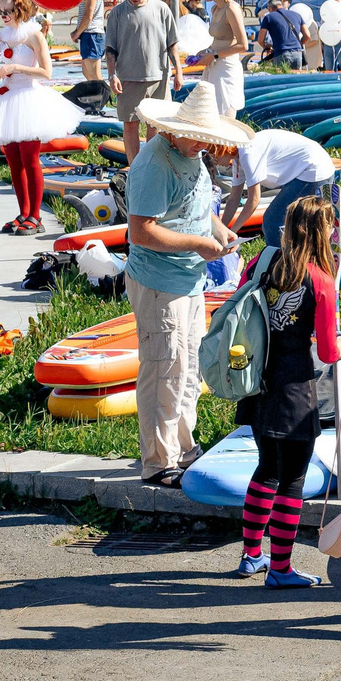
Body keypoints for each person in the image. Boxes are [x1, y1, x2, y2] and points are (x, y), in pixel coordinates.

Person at [124, 85, 247, 485]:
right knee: (164, 369)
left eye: (209, 138)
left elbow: (195, 205)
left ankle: (182, 446)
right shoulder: (155, 164)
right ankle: (159, 461)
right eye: (200, 137)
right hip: (161, 281)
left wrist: (219, 229)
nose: (204, 145)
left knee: (187, 368)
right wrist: (198, 243)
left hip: (188, 277)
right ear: (174, 130)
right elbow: (141, 232)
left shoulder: (189, 155)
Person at [224, 193, 341, 590]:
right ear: (320, 232)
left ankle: (250, 555)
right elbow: (327, 352)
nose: (334, 231)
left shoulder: (261, 262)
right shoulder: (322, 281)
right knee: (292, 478)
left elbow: (239, 303)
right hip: (295, 389)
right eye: (330, 226)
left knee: (266, 469)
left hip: (257, 382)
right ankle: (280, 569)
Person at [0, 0, 84, 235]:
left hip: (28, 99)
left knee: (29, 158)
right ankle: (23, 212)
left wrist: (16, 67)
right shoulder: (3, 35)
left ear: (20, 11)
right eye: (0, 11)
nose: (3, 15)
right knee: (13, 160)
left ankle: (35, 216)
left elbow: (47, 72)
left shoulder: (34, 35)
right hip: (5, 98)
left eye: (8, 11)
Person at [106, 0, 179, 163]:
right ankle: (134, 167)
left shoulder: (162, 9)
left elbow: (172, 42)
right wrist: (112, 75)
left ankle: (151, 167)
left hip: (158, 77)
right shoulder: (117, 13)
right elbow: (110, 50)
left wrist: (178, 71)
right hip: (128, 77)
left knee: (154, 125)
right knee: (130, 124)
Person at [228, 126, 340, 248]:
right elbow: (233, 199)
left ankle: (281, 263)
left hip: (313, 168)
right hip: (310, 166)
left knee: (273, 222)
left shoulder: (247, 153)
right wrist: (221, 232)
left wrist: (232, 232)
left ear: (223, 150)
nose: (214, 161)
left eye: (214, 155)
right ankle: (302, 253)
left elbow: (254, 200)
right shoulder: (237, 159)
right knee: (296, 221)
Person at [197, 0, 247, 118]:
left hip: (226, 67)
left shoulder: (231, 9)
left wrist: (214, 55)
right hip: (215, 63)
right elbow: (219, 39)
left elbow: (243, 45)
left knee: (224, 113)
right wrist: (206, 51)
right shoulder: (215, 9)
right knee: (210, 112)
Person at [252, 0, 303, 71]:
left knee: (281, 79)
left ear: (270, 8)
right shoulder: (297, 15)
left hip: (281, 53)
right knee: (295, 80)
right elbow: (307, 35)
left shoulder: (269, 17)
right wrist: (298, 44)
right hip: (297, 53)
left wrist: (266, 47)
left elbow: (260, 39)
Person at [73, 0, 107, 85]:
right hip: (88, 33)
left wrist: (77, 33)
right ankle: (98, 97)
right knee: (86, 72)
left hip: (93, 33)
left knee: (94, 75)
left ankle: (106, 98)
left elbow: (89, 16)